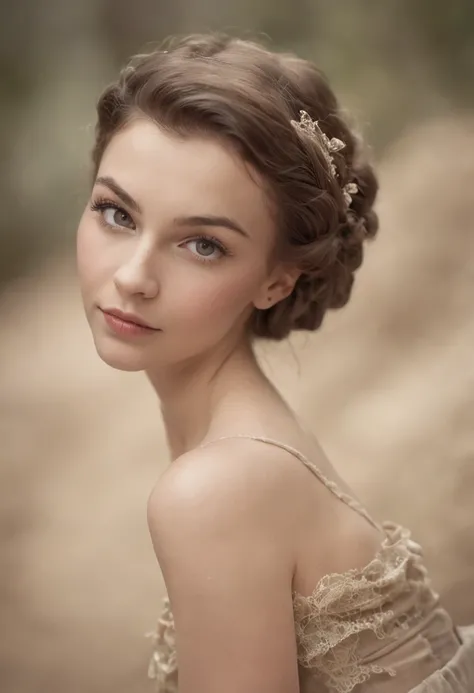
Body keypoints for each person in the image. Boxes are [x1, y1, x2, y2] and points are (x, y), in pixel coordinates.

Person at [76, 33, 474, 693]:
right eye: (116, 213)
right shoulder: (247, 448)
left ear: (277, 280)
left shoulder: (218, 487)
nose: (133, 275)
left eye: (202, 243)